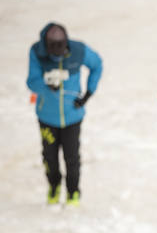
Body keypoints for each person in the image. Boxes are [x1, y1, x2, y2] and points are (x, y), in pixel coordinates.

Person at [26, 22, 103, 206]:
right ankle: (54, 186)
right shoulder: (37, 52)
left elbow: (97, 64)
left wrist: (88, 94)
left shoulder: (77, 50)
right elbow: (31, 82)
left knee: (72, 157)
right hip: (47, 118)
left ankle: (73, 192)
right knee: (50, 157)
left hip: (73, 117)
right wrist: (46, 86)